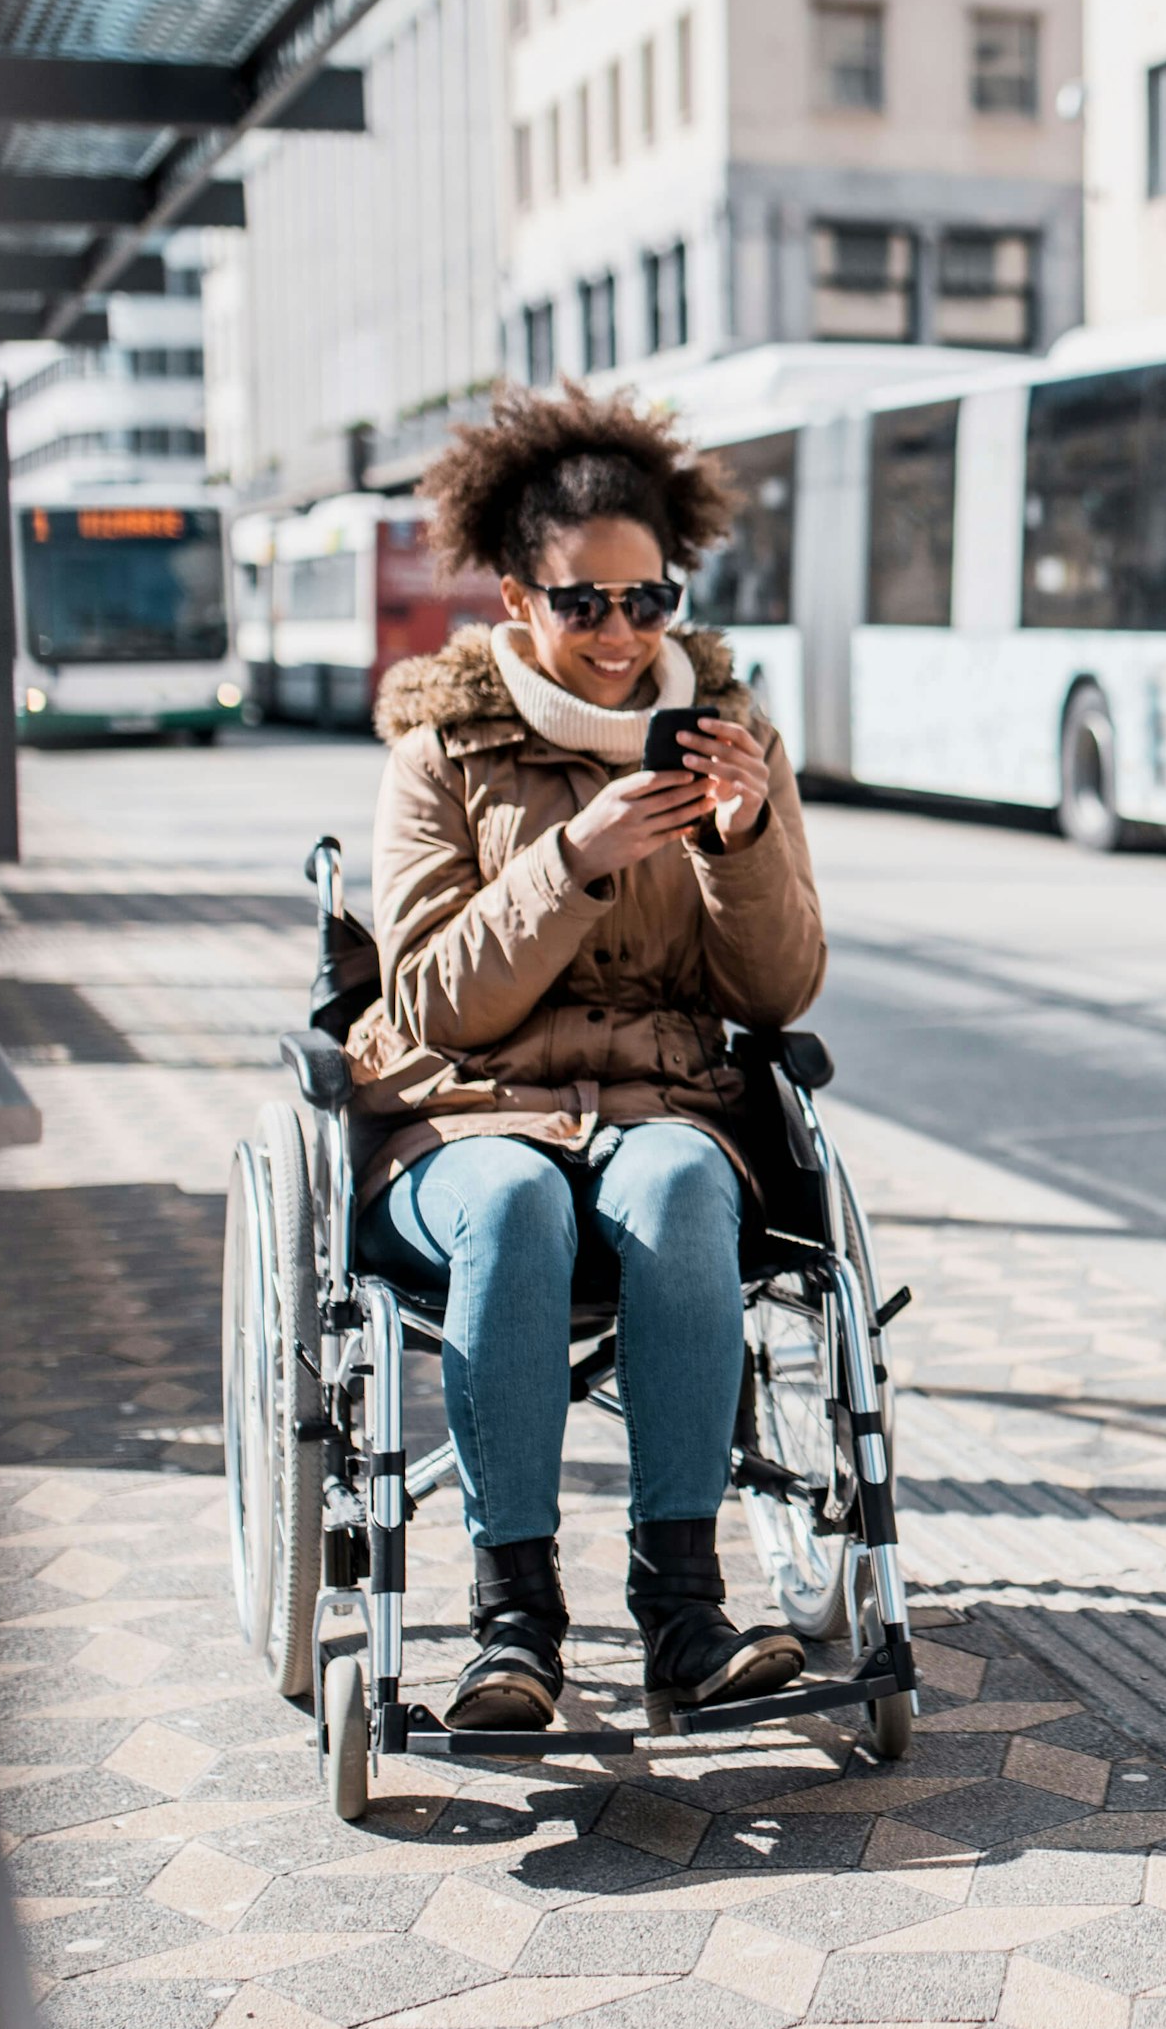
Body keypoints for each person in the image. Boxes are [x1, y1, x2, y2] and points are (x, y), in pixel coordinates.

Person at [342, 385, 827, 1731]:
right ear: (517, 599)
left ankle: (684, 1608)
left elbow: (778, 988)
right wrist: (576, 856)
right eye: (583, 604)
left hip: (660, 1104)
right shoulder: (444, 743)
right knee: (512, 1198)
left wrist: (740, 843)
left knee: (684, 1186)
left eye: (647, 600)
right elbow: (431, 998)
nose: (620, 635)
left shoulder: (732, 732)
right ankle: (514, 1619)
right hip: (463, 1114)